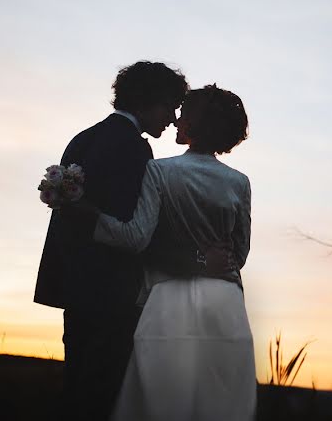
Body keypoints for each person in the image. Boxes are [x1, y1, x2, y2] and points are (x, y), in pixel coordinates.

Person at [34, 61, 214, 421]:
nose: (174, 116)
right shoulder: (134, 149)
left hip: (76, 289)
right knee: (102, 396)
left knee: (76, 389)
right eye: (170, 106)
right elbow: (133, 228)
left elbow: (69, 221)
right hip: (112, 296)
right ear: (148, 100)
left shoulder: (83, 137)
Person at [85, 84, 255, 421]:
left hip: (168, 298)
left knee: (160, 399)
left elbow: (136, 238)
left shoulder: (159, 171)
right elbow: (241, 252)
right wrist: (209, 261)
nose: (176, 122)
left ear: (193, 126)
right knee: (220, 401)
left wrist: (88, 215)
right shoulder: (239, 182)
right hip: (224, 301)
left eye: (183, 116)